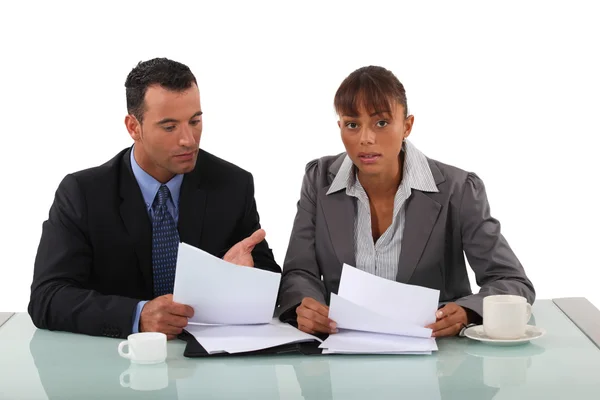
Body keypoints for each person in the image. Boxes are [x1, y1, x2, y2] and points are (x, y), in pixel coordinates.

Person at [29, 58, 280, 339]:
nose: (189, 139)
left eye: (195, 121)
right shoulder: (83, 193)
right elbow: (47, 298)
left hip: (204, 364)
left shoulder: (232, 184)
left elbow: (269, 277)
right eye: (170, 127)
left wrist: (244, 278)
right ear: (133, 127)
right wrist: (138, 315)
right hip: (115, 364)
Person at [277, 66, 535, 337]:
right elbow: (299, 272)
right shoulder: (319, 181)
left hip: (438, 358)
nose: (366, 138)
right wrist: (305, 306)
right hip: (341, 349)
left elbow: (511, 281)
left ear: (407, 126)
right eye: (353, 124)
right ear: (340, 126)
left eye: (381, 123)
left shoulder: (458, 189)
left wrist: (467, 312)